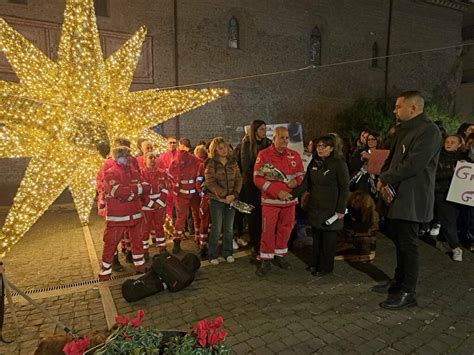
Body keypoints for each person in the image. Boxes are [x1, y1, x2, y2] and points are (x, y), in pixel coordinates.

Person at [374, 91, 442, 310]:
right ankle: (398, 281)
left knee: (408, 245)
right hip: (398, 196)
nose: (395, 110)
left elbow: (414, 164)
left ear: (413, 108)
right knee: (400, 241)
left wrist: (384, 178)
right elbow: (391, 159)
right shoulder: (405, 130)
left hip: (412, 198)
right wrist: (382, 179)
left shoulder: (429, 131)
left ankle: (408, 292)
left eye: (398, 106)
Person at [253, 126, 305, 276]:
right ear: (274, 138)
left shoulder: (294, 155)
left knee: (286, 228)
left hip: (290, 201)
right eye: (281, 137)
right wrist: (277, 192)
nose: (284, 140)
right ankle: (265, 259)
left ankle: (280, 255)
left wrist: (296, 182)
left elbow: (301, 174)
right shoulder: (264, 155)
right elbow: (257, 178)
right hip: (271, 201)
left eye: (286, 138)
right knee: (268, 230)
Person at [99, 146, 152, 280]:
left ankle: (140, 267)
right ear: (119, 157)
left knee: (138, 242)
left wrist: (130, 193)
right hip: (117, 217)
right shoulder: (110, 173)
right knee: (111, 244)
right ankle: (105, 273)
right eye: (128, 156)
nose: (131, 158)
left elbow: (147, 186)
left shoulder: (133, 172)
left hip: (135, 215)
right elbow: (118, 192)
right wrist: (136, 191)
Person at [300, 135, 350, 276]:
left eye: (324, 146)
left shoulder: (338, 163)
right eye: (318, 146)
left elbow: (345, 187)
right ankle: (315, 263)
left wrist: (340, 209)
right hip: (316, 206)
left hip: (332, 208)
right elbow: (306, 183)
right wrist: (289, 193)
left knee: (328, 239)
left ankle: (326, 268)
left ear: (332, 148)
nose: (320, 149)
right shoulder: (314, 163)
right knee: (317, 237)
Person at [204, 137, 242, 264]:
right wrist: (225, 195)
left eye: (225, 147)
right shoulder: (211, 163)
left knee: (229, 228)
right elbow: (210, 182)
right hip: (217, 200)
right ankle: (212, 254)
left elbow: (239, 179)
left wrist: (234, 194)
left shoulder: (233, 162)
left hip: (231, 199)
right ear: (215, 150)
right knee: (216, 227)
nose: (224, 150)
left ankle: (228, 252)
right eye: (220, 148)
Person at [431, 135, 467, 261]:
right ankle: (456, 248)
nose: (449, 144)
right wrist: (452, 172)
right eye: (447, 142)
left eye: (453, 142)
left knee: (451, 220)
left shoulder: (464, 158)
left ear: (459, 145)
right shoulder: (437, 157)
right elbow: (434, 175)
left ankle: (441, 239)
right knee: (449, 219)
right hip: (442, 193)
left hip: (458, 194)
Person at [240, 120, 272, 256]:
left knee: (267, 215)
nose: (264, 132)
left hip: (267, 184)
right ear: (255, 131)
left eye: (265, 129)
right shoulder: (247, 145)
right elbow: (246, 165)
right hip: (252, 185)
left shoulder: (269, 143)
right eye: (261, 129)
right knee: (255, 215)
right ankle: (255, 242)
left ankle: (267, 242)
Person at [168, 139, 201, 254]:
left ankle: (177, 241)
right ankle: (199, 238)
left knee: (180, 219)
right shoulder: (195, 160)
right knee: (196, 215)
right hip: (193, 193)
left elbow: (171, 176)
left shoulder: (175, 160)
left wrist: (175, 190)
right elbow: (201, 171)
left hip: (182, 194)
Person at [140, 151, 169, 255]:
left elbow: (166, 189)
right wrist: (152, 204)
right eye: (150, 158)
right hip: (147, 207)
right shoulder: (141, 174)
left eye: (154, 158)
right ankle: (144, 251)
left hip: (160, 206)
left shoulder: (162, 173)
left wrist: (159, 203)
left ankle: (162, 248)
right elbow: (142, 192)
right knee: (145, 229)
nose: (153, 160)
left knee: (159, 227)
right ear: (145, 160)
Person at [157, 136, 179, 218]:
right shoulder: (162, 157)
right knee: (168, 204)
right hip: (167, 185)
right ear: (167, 144)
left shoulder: (180, 155)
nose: (172, 144)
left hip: (178, 185)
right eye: (170, 142)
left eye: (174, 142)